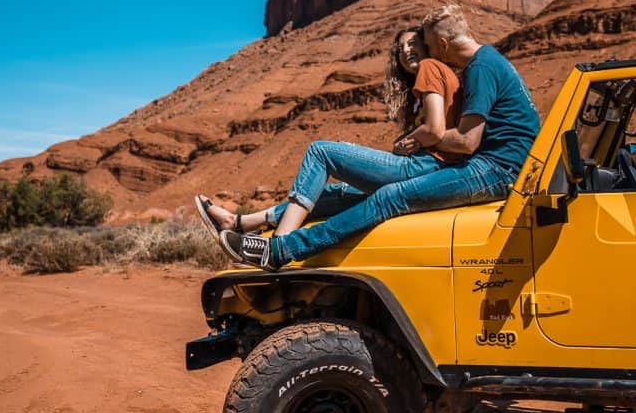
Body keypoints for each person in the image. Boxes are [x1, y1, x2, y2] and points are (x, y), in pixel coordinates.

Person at [220, 4, 540, 271]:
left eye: (427, 45)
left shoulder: (480, 67)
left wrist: (420, 139)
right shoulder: (490, 61)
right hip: (502, 168)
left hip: (499, 172)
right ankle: (253, 226)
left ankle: (281, 250)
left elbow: (467, 142)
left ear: (441, 44)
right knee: (347, 192)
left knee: (389, 197)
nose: (427, 54)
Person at [193, 26, 464, 248]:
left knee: (320, 151)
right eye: (401, 47)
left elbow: (434, 130)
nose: (406, 50)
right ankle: (239, 223)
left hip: (425, 168)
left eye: (413, 42)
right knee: (334, 191)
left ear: (429, 45)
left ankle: (279, 245)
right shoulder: (424, 84)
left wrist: (407, 142)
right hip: (427, 169)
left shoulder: (430, 67)